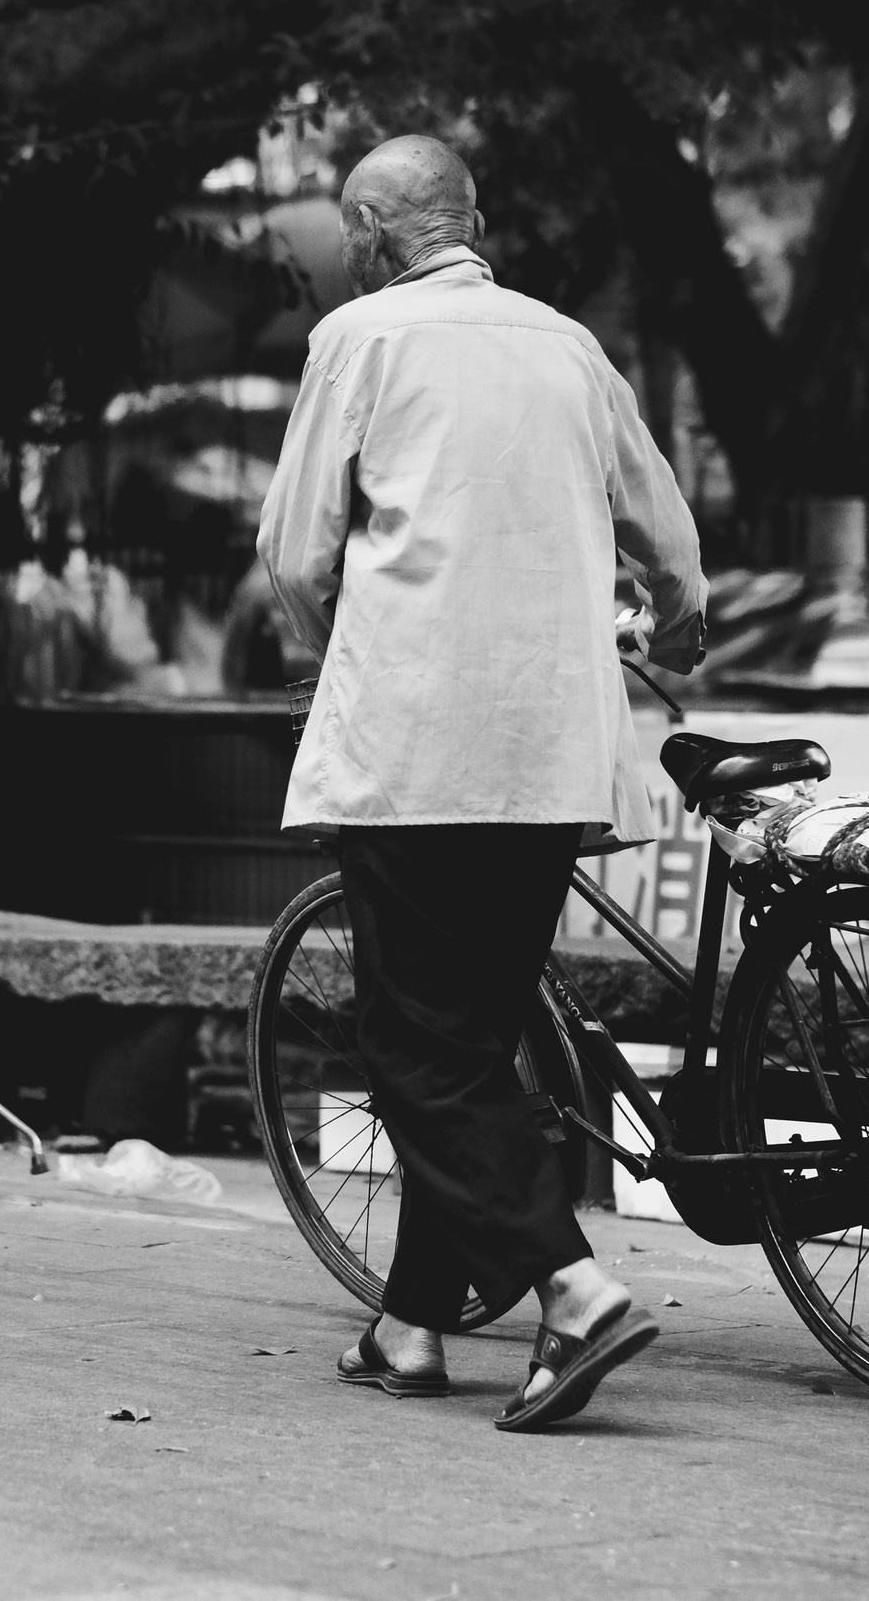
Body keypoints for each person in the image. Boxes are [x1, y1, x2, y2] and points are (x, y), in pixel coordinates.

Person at [257, 135, 708, 1431]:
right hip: (554, 744)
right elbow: (669, 541)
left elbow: (296, 555)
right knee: (474, 1033)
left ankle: (572, 1288)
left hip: (416, 742)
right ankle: (408, 1326)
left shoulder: (360, 338)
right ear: (474, 218)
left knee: (410, 1044)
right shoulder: (566, 341)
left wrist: (324, 646)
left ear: (367, 230)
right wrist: (673, 628)